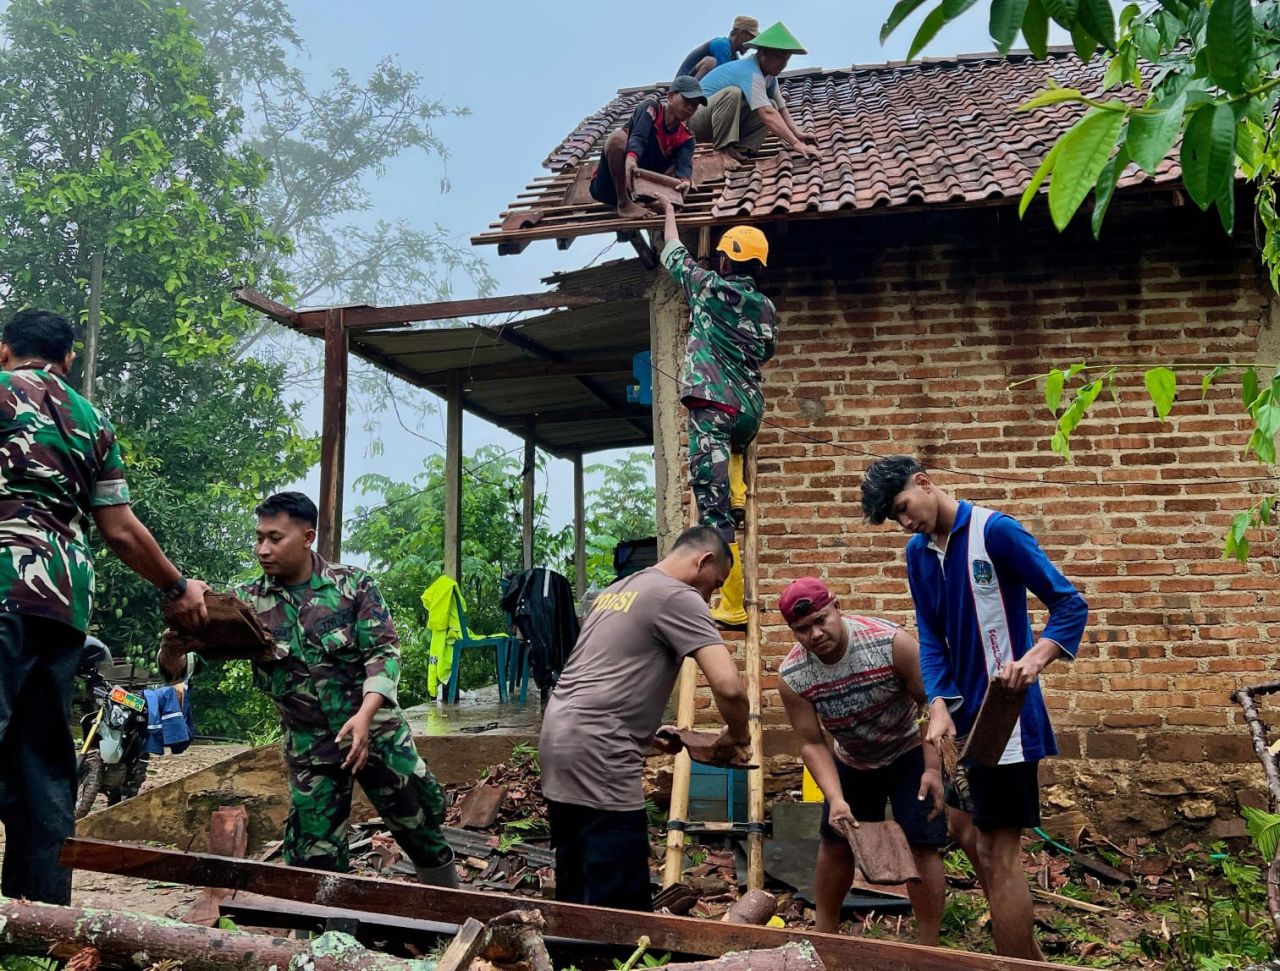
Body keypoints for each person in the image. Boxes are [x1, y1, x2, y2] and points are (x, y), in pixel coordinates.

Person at [0, 307, 208, 904]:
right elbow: (119, 529)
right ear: (68, 360)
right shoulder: (93, 421)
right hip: (61, 609)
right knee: (42, 771)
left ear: (5, 349)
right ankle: (38, 928)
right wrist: (176, 586)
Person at [860, 455, 1089, 960]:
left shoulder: (996, 532)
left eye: (903, 508)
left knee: (996, 852)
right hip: (961, 726)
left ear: (924, 483)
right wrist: (938, 703)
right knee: (966, 834)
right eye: (895, 520)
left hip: (1005, 723)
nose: (905, 523)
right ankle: (1028, 958)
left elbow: (1070, 604)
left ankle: (1018, 965)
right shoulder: (919, 554)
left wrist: (1035, 658)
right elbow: (931, 639)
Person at [232, 491, 458, 886]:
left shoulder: (353, 587)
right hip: (312, 747)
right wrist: (175, 652)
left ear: (307, 537)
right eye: (259, 537)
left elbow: (384, 653)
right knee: (313, 855)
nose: (262, 549)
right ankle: (323, 940)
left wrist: (364, 717)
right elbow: (197, 654)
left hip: (378, 733)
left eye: (274, 538)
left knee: (420, 827)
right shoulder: (247, 603)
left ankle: (452, 916)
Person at [539, 526, 751, 911]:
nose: (711, 595)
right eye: (715, 583)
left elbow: (598, 675)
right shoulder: (679, 596)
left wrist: (646, 736)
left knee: (577, 882)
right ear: (702, 561)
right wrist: (737, 735)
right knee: (619, 902)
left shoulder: (619, 589)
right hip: (600, 751)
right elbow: (730, 687)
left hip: (560, 737)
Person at [776, 577, 946, 943]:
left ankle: (929, 944)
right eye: (802, 629)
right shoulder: (793, 675)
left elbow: (931, 705)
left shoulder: (889, 642)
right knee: (836, 841)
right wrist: (836, 799)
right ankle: (826, 936)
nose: (815, 634)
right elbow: (811, 743)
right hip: (853, 758)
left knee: (922, 842)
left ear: (837, 607)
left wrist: (933, 768)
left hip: (909, 750)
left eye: (821, 620)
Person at [657, 196, 777, 628]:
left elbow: (672, 249)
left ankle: (728, 602)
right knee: (731, 469)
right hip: (748, 415)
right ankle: (738, 492)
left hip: (714, 410)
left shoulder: (707, 285)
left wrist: (670, 210)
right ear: (759, 267)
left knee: (713, 514)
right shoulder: (766, 308)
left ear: (725, 261)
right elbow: (765, 352)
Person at [690, 20, 821, 164]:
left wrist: (798, 135)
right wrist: (796, 145)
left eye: (786, 59)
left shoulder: (770, 76)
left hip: (717, 120)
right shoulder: (750, 71)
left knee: (771, 104)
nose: (783, 64)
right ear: (763, 53)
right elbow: (766, 113)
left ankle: (741, 149)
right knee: (733, 94)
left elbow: (781, 109)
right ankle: (722, 150)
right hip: (696, 118)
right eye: (778, 58)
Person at [589, 75, 706, 218]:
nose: (690, 108)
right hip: (611, 186)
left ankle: (648, 202)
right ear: (670, 96)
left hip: (644, 189)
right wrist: (631, 158)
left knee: (683, 175)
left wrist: (685, 181)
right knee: (617, 139)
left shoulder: (687, 137)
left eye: (695, 105)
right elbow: (639, 136)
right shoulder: (652, 108)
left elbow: (684, 165)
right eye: (687, 101)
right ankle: (624, 203)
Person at [675, 16, 759, 80]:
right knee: (710, 62)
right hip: (683, 83)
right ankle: (691, 93)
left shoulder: (734, 57)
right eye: (751, 38)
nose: (750, 45)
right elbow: (723, 76)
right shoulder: (721, 45)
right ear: (741, 34)